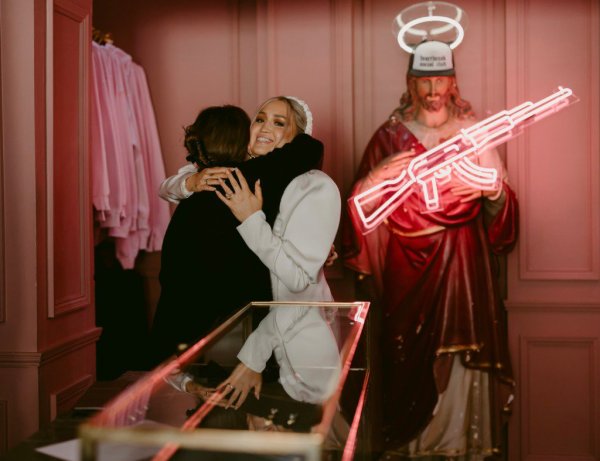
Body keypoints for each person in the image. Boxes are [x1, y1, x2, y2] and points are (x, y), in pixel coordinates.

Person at [342, 40, 519, 459]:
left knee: (460, 360)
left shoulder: (474, 134)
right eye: (423, 79)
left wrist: (490, 188)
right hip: (405, 270)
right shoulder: (389, 138)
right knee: (404, 359)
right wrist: (374, 180)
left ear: (453, 82)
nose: (432, 89)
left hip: (464, 266)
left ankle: (460, 446)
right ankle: (412, 449)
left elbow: (504, 212)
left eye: (440, 78)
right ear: (410, 83)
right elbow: (356, 213)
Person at [149, 98, 325, 367]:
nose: (265, 128)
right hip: (226, 338)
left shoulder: (208, 187)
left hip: (198, 338)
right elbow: (310, 148)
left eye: (279, 123)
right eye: (259, 119)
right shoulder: (248, 176)